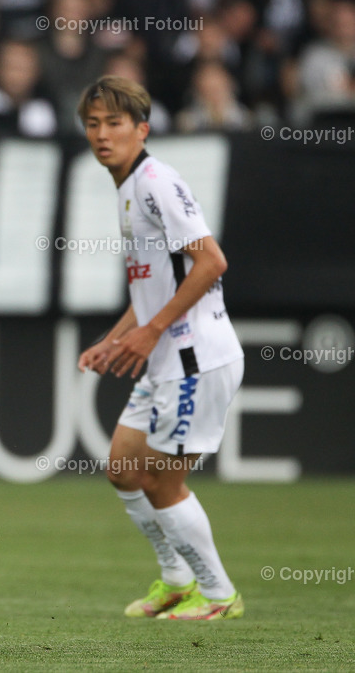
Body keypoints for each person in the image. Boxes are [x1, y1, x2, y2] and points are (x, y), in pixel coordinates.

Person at [76, 76, 245, 620]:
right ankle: (176, 579)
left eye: (115, 123)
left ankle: (219, 595)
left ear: (142, 129)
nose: (103, 135)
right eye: (93, 124)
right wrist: (117, 338)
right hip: (166, 356)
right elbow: (155, 286)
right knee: (123, 469)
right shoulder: (127, 187)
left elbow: (211, 262)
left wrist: (149, 333)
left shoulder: (156, 181)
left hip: (194, 355)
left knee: (160, 478)